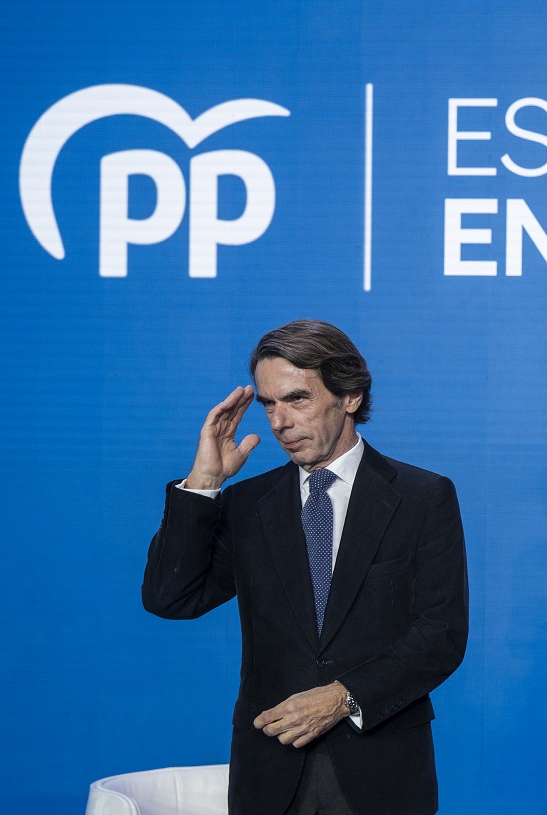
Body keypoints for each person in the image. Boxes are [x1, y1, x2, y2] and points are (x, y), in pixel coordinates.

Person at [142, 319, 469, 815]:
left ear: (351, 396)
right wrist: (204, 481)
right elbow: (172, 597)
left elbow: (442, 634)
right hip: (270, 776)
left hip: (380, 773)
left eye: (297, 399)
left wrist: (343, 697)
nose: (278, 422)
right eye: (269, 404)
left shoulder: (423, 497)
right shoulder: (249, 504)